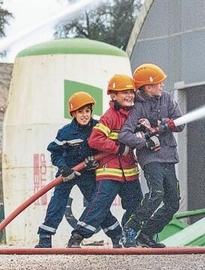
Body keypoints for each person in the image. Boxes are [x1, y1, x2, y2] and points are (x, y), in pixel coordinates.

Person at [36, 92, 123, 248]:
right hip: (67, 173)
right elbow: (55, 152)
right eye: (80, 112)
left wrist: (94, 165)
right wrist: (63, 168)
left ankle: (116, 235)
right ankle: (45, 238)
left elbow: (103, 151)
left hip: (87, 173)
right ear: (73, 114)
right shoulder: (66, 132)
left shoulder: (98, 128)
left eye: (87, 111)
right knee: (57, 203)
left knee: (95, 204)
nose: (84, 115)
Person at [67, 74, 142, 248]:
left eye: (131, 91)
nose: (129, 95)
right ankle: (77, 237)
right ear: (113, 96)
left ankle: (127, 235)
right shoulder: (110, 116)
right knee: (98, 206)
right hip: (109, 171)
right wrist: (118, 148)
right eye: (124, 92)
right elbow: (95, 139)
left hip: (130, 172)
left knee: (137, 205)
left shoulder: (134, 115)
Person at [118, 63, 184, 248]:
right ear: (148, 86)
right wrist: (145, 142)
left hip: (169, 157)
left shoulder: (168, 99)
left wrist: (167, 123)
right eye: (159, 83)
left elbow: (180, 124)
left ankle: (146, 234)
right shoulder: (137, 108)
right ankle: (131, 229)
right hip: (151, 159)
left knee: (173, 202)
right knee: (156, 194)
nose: (162, 85)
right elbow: (125, 135)